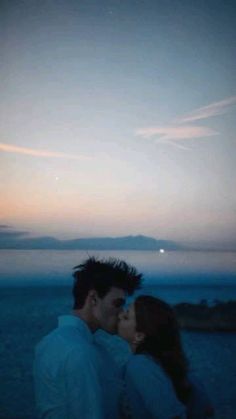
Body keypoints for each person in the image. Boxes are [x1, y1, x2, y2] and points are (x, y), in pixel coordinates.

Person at [33, 257, 142, 419]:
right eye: (117, 303)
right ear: (93, 299)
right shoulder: (80, 351)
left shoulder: (50, 342)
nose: (121, 313)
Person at [118, 295, 214, 419]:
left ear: (139, 336)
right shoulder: (174, 368)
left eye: (126, 317)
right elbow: (207, 410)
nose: (119, 315)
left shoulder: (140, 365)